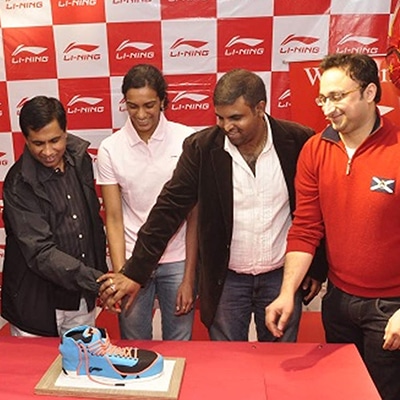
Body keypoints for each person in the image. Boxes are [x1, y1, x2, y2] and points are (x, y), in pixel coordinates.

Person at [98, 68, 327, 342]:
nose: (226, 126)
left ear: (260, 108)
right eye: (220, 117)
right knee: (227, 361)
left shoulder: (299, 140)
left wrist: (316, 267)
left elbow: (315, 211)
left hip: (281, 276)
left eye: (236, 118)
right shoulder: (202, 148)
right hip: (226, 280)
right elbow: (168, 209)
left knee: (280, 356)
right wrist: (135, 271)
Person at [265, 53, 400, 400]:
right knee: (344, 391)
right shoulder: (315, 149)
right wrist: (286, 292)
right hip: (337, 302)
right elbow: (306, 228)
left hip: (391, 308)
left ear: (370, 93)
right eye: (322, 98)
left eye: (337, 97)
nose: (328, 108)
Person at [96, 64, 197, 340]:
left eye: (149, 105)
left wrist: (190, 276)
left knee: (180, 345)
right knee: (134, 347)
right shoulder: (110, 148)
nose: (141, 114)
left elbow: (194, 216)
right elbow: (113, 218)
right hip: (132, 259)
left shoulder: (187, 140)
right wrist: (121, 273)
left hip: (177, 260)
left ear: (163, 101)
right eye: (133, 106)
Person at [1, 96, 108, 337]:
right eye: (38, 143)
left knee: (82, 361)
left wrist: (96, 281)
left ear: (65, 131)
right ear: (25, 139)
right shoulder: (18, 184)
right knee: (36, 364)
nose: (48, 151)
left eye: (55, 140)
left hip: (80, 301)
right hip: (35, 305)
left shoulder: (81, 159)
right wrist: (97, 281)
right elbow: (40, 252)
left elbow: (92, 224)